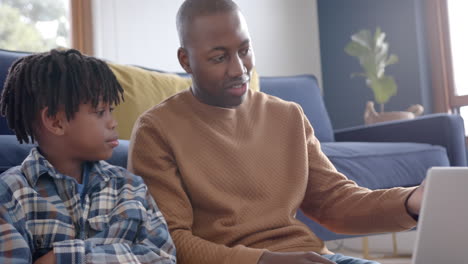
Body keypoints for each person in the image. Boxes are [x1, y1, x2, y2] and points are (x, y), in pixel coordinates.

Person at [128, 0, 424, 263]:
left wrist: (410, 201)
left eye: (244, 50)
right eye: (219, 58)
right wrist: (264, 260)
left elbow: (335, 202)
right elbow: (171, 241)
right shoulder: (156, 131)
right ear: (185, 60)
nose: (238, 69)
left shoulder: (288, 116)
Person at [0, 49, 176, 264]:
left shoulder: (130, 187)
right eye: (100, 112)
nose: (113, 122)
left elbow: (163, 257)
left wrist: (60, 257)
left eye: (111, 110)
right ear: (56, 122)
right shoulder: (10, 193)